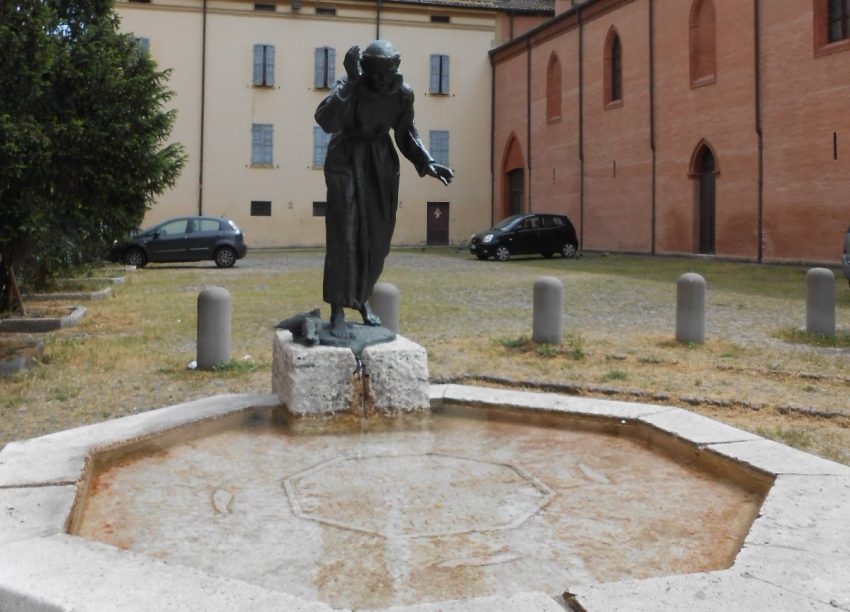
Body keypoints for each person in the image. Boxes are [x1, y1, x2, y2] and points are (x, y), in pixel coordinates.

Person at [315, 40, 454, 338]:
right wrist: (351, 82)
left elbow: (406, 133)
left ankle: (361, 299)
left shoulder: (402, 94)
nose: (380, 81)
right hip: (346, 159)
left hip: (380, 162)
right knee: (345, 234)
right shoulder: (350, 84)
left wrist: (427, 162)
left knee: (378, 239)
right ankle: (338, 308)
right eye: (374, 73)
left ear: (395, 69)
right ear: (364, 68)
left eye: (386, 74)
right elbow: (326, 120)